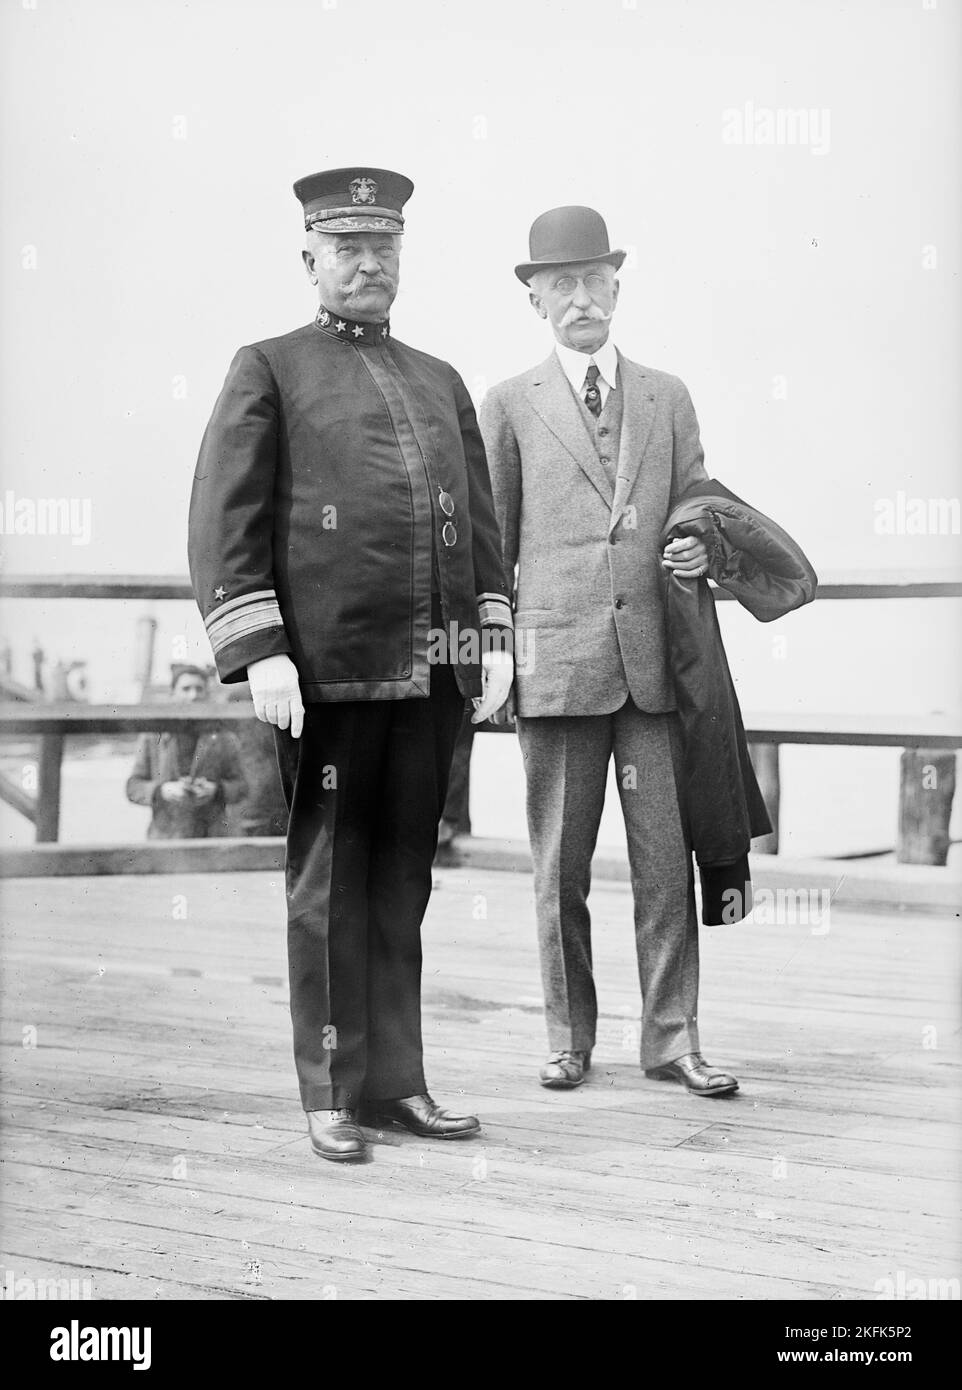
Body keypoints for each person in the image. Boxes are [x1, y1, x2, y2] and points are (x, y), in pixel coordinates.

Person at [188, 166, 513, 1162]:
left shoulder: (439, 378)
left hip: (430, 680)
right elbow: (223, 520)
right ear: (310, 260)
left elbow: (481, 527)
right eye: (347, 249)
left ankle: (397, 1083)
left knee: (401, 882)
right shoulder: (268, 368)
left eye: (384, 248)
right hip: (323, 676)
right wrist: (259, 652)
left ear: (400, 256)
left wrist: (490, 639)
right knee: (329, 883)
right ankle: (332, 1089)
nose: (368, 264)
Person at [480, 205, 739, 1097]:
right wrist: (493, 659)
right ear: (536, 300)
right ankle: (567, 1037)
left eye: (594, 281)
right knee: (560, 869)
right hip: (554, 667)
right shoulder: (508, 404)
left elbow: (699, 499)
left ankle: (673, 1040)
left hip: (653, 664)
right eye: (562, 285)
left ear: (617, 289)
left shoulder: (668, 395)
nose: (580, 298)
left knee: (667, 866)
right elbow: (489, 546)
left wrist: (702, 543)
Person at [126, 664, 247, 839]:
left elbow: (242, 787)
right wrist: (161, 791)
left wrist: (216, 790)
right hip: (166, 837)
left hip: (211, 838)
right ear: (173, 694)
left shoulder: (223, 737)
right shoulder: (153, 736)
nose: (193, 695)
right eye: (186, 689)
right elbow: (133, 787)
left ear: (207, 694)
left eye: (199, 689)